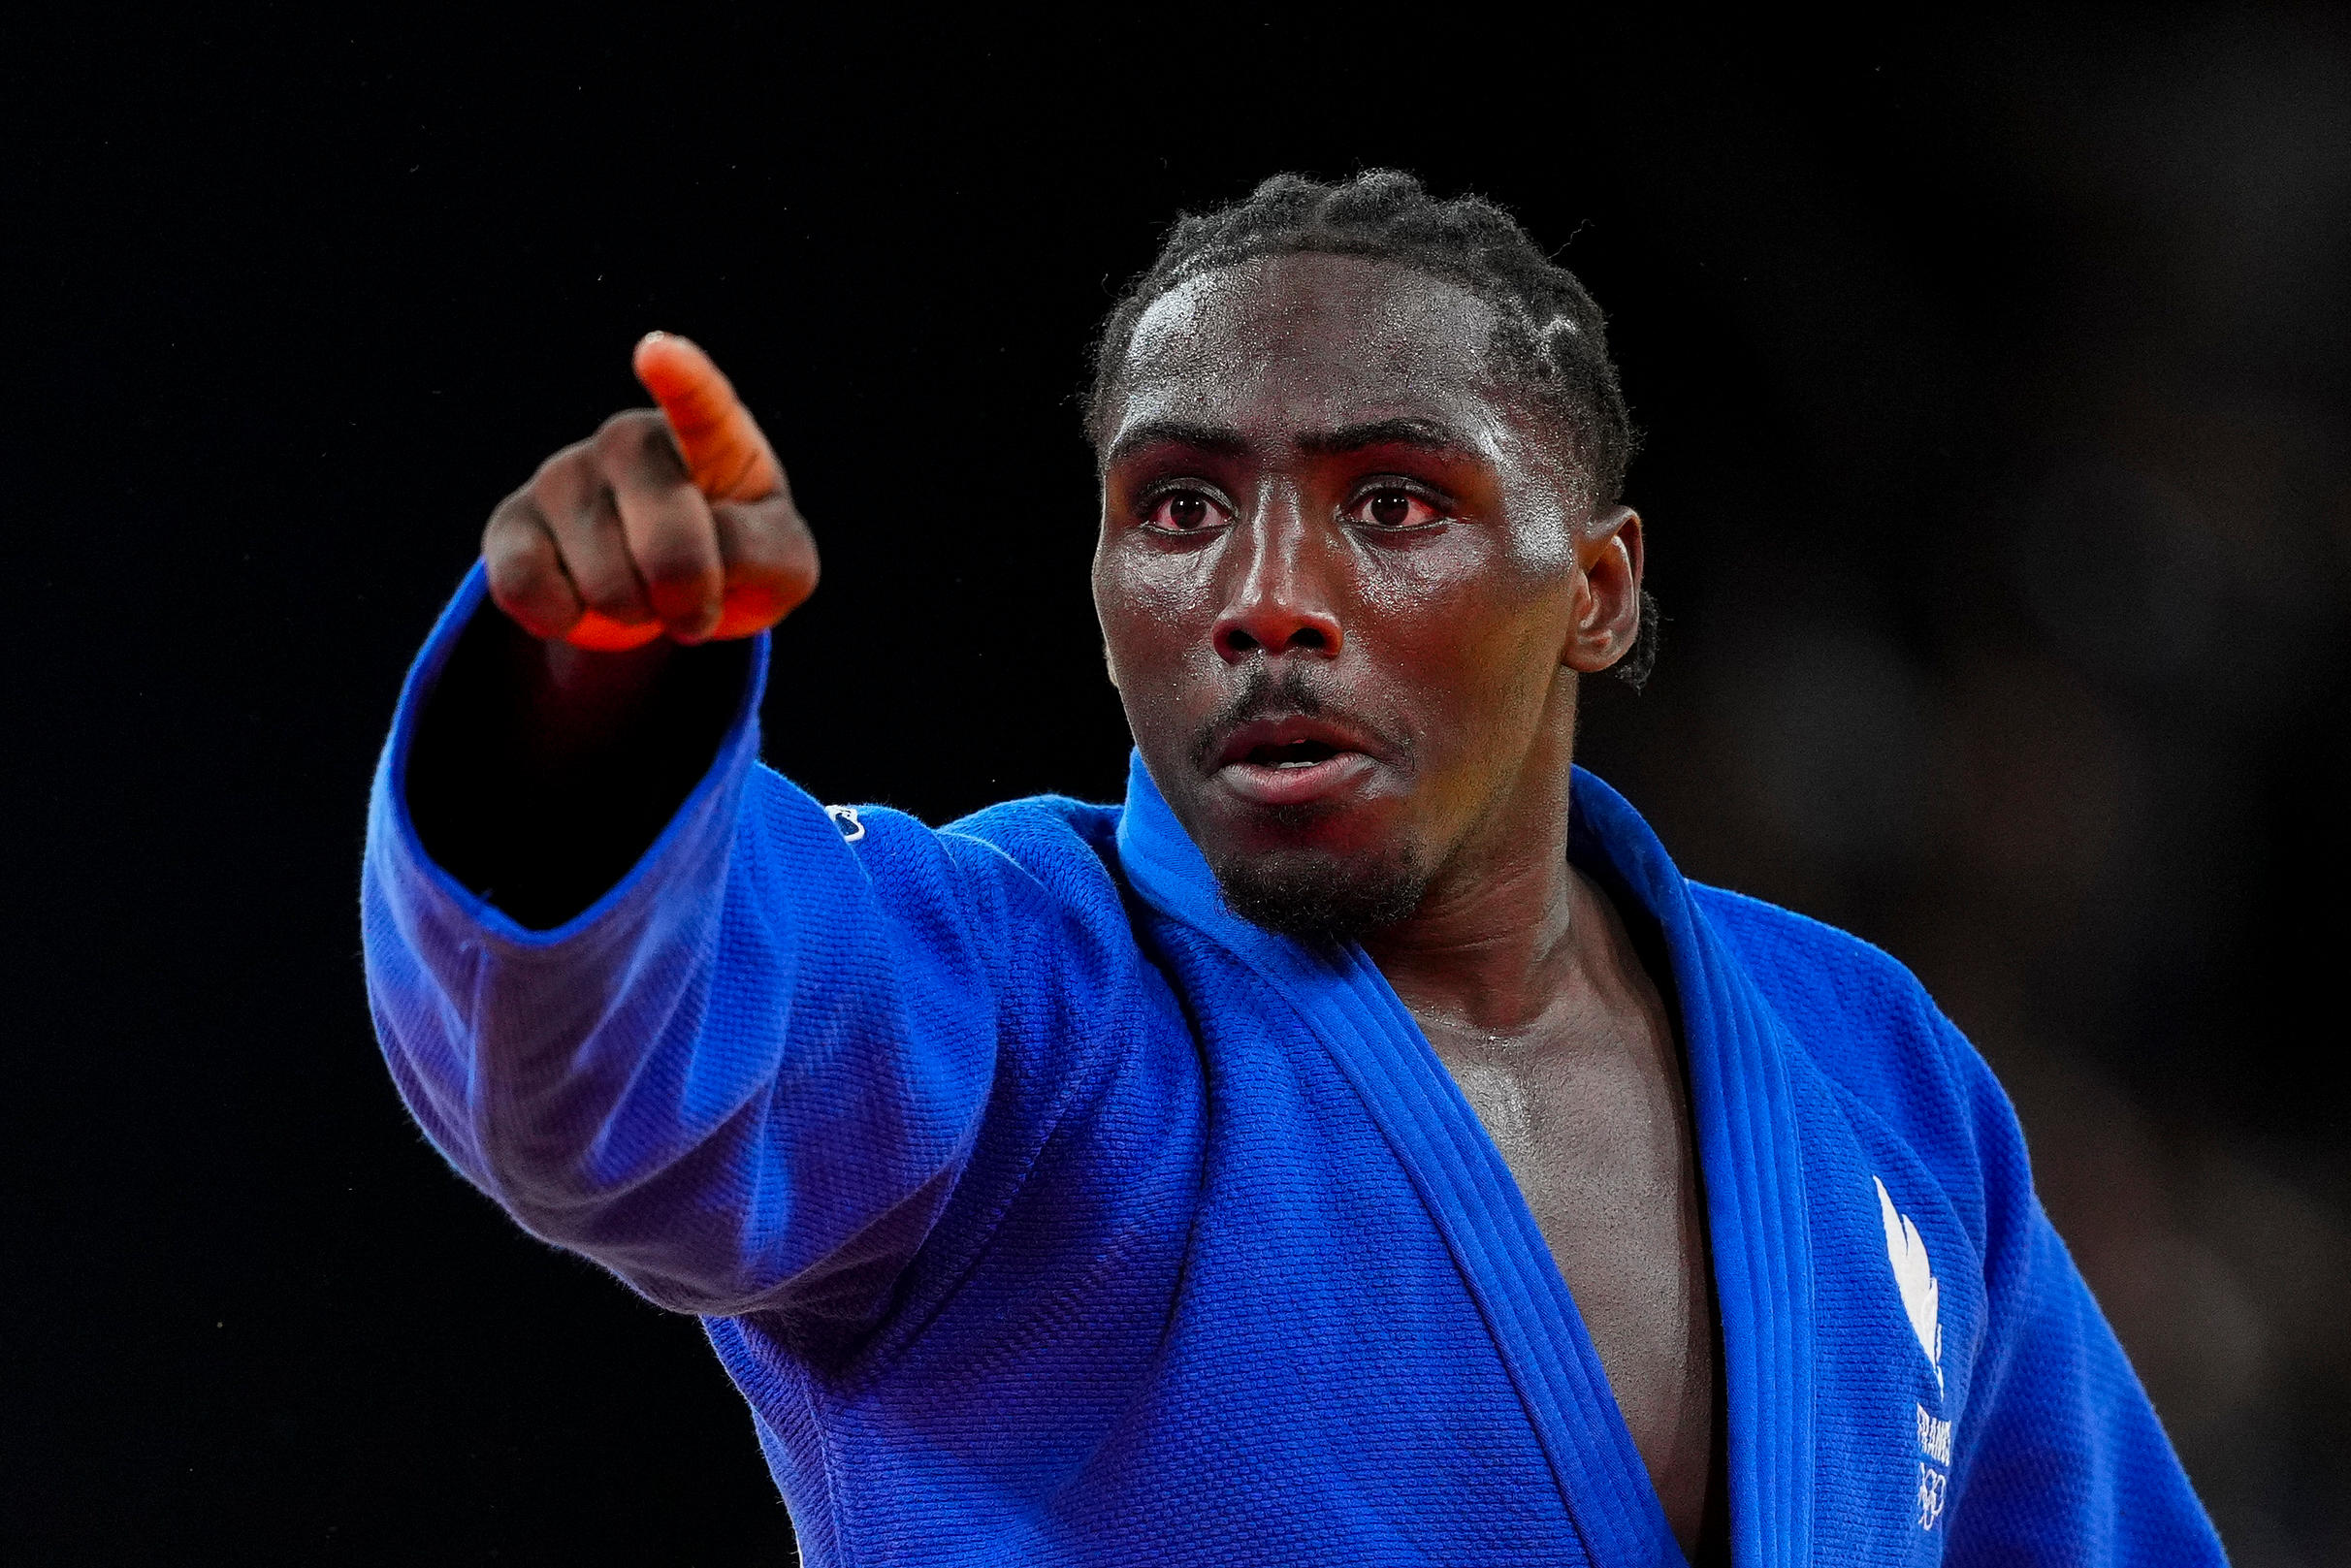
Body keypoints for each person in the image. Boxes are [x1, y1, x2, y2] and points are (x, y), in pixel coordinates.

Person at [363, 172, 2225, 1566]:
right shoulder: (1026, 995)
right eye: (1179, 507)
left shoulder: (1869, 1063)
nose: (1260, 594)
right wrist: (589, 702)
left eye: (1392, 502)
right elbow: (622, 1080)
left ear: (1598, 588)